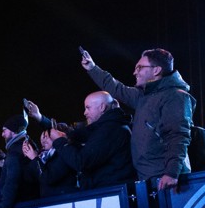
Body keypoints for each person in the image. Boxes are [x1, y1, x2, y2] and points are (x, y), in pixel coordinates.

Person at [81, 48, 195, 191]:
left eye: (140, 67)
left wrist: (171, 173)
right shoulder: (143, 96)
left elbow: (178, 135)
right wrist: (92, 68)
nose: (135, 72)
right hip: (148, 178)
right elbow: (117, 88)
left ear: (156, 70)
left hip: (166, 179)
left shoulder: (175, 96)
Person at [32, 92, 135, 191]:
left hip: (112, 193)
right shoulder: (103, 127)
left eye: (88, 108)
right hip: (106, 191)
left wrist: (59, 141)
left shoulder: (110, 130)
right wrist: (41, 118)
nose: (84, 113)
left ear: (102, 107)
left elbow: (81, 162)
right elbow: (74, 133)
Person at [0, 113, 38, 208]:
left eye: (5, 130)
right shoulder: (27, 145)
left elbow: (11, 181)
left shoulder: (15, 151)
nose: (2, 134)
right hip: (29, 204)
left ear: (13, 131)